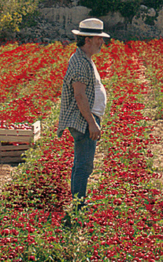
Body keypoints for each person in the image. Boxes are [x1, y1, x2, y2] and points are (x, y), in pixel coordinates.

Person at [57, 18, 110, 206]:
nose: (101, 42)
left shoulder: (85, 59)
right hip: (83, 121)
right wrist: (91, 122)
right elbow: (79, 95)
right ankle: (78, 203)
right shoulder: (80, 62)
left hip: (86, 119)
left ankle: (79, 200)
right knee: (83, 164)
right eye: (98, 39)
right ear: (87, 40)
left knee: (83, 162)